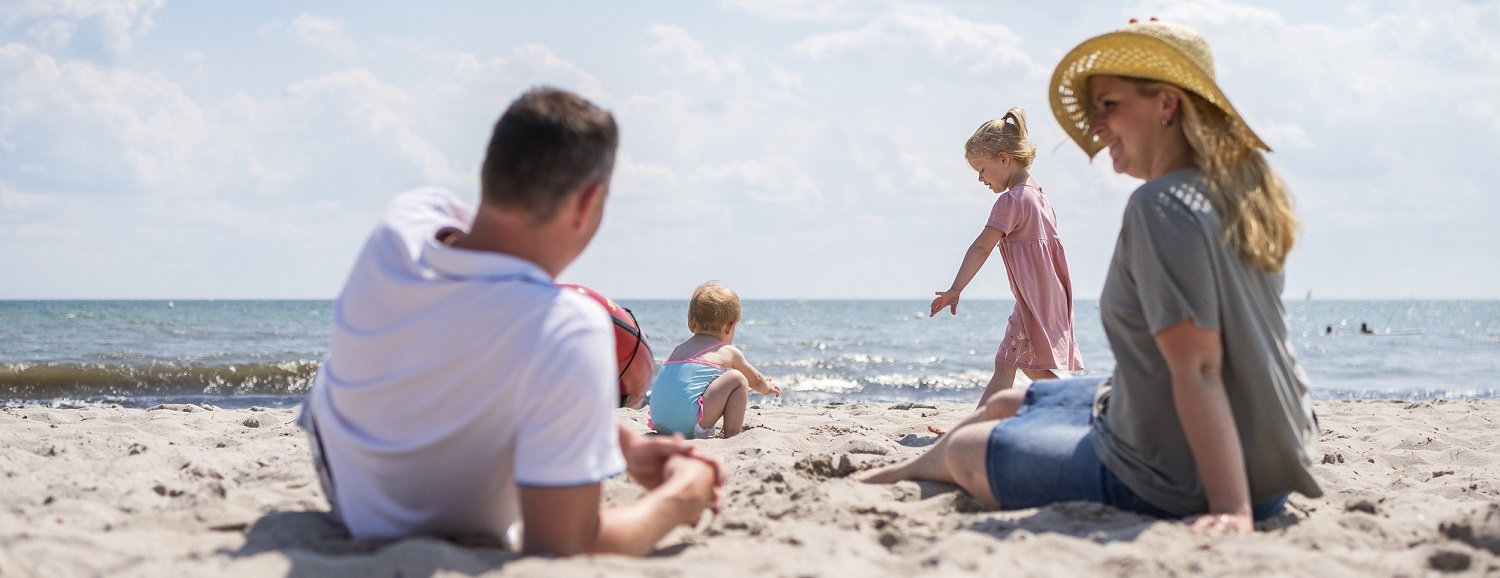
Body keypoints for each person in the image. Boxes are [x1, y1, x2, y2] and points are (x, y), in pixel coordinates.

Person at [860, 20, 1323, 537]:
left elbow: (1199, 367)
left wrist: (1232, 506)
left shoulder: (1161, 205)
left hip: (1190, 470)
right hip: (1265, 453)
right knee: (1008, 402)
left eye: (1110, 106)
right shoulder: (1243, 190)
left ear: (1167, 105)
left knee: (970, 450)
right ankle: (909, 468)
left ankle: (915, 469)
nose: (1095, 126)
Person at [299, 87, 723, 557]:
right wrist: (682, 497)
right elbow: (565, 543)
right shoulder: (568, 327)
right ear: (586, 204)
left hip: (343, 487)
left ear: (487, 171)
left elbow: (468, 336)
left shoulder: (403, 222)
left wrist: (624, 444)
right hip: (444, 525)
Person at [933, 107, 1084, 412]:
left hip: (1032, 299)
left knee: (1005, 364)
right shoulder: (1040, 197)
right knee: (1030, 366)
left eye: (982, 169)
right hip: (1050, 296)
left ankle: (976, 428)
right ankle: (1081, 408)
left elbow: (982, 248)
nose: (979, 179)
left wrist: (955, 288)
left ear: (1004, 159)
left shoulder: (1011, 201)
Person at [650, 282, 780, 438]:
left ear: (691, 325)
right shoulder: (727, 352)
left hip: (659, 421)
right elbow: (756, 380)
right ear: (729, 327)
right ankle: (732, 434)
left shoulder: (678, 350)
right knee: (738, 378)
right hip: (688, 423)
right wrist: (767, 388)